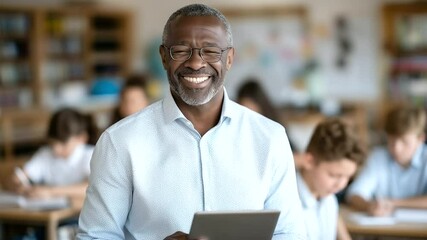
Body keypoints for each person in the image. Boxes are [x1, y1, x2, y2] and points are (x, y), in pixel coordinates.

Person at [77, 3, 306, 240]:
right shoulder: (120, 142)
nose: (196, 63)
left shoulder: (270, 137)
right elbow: (94, 236)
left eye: (210, 51)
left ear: (229, 58)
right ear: (164, 57)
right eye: (181, 50)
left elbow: (290, 233)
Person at [346, 104, 427, 216]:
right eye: (392, 140)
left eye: (404, 141)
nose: (396, 148)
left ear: (420, 139)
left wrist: (393, 203)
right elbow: (354, 194)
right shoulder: (378, 157)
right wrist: (369, 206)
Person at [296, 118, 366, 240]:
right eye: (334, 175)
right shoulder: (287, 201)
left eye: (348, 177)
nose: (341, 185)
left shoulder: (328, 198)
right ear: (309, 161)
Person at [8, 107, 97, 199]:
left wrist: (51, 192)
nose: (56, 149)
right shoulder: (45, 154)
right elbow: (24, 174)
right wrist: (18, 182)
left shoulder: (91, 155)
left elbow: (91, 187)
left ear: (81, 138)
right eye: (52, 143)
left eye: (63, 143)